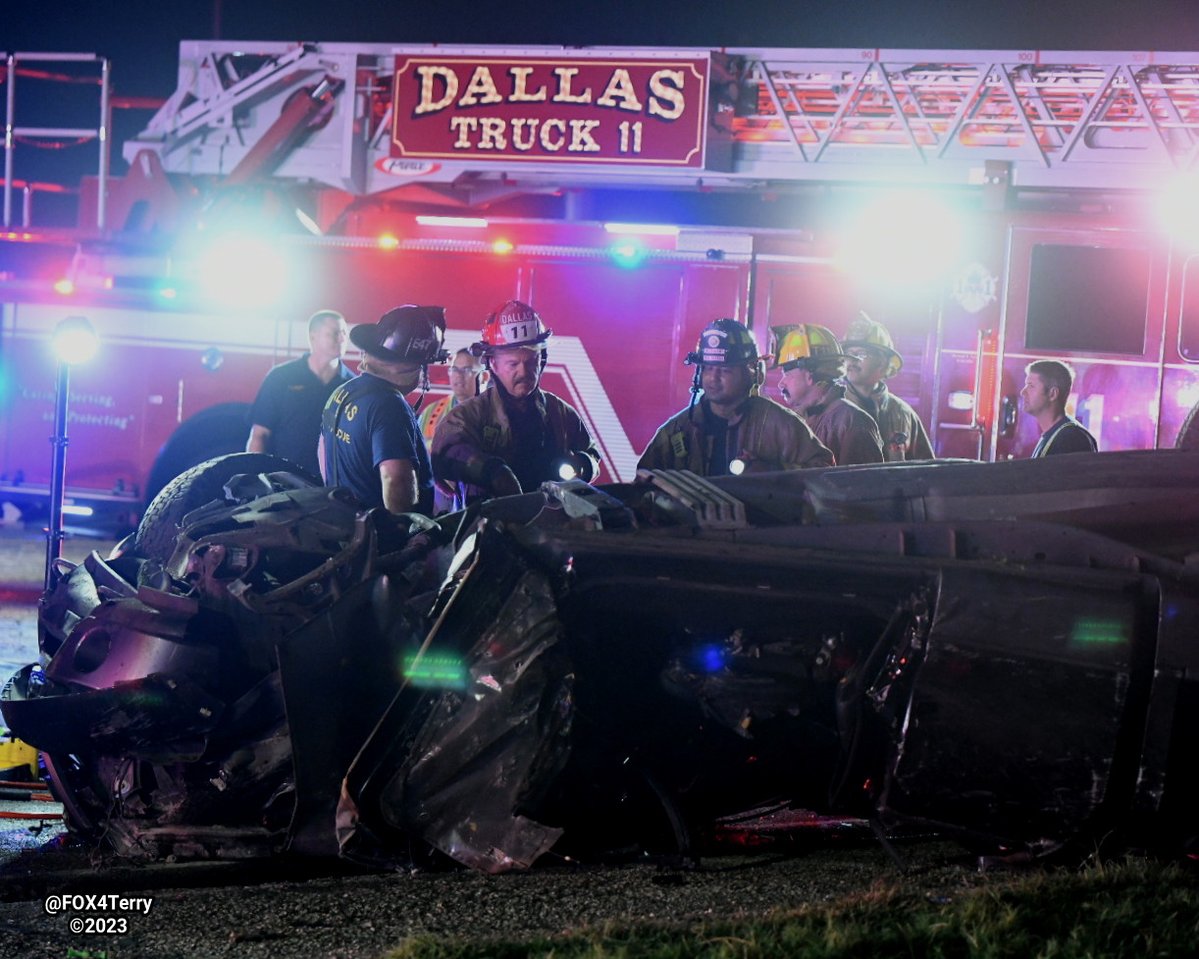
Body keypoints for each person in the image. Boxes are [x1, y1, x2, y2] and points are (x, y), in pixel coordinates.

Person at [431, 300, 600, 508]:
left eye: (531, 362)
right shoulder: (467, 417)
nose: (524, 372)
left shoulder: (561, 413)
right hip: (488, 529)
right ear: (493, 363)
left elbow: (591, 453)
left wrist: (582, 465)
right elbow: (446, 454)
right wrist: (492, 471)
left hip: (552, 528)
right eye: (513, 364)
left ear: (542, 360)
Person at [638, 318, 833, 475]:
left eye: (725, 370)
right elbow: (644, 480)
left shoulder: (778, 424)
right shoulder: (679, 429)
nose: (713, 378)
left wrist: (772, 472)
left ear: (750, 372)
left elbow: (824, 471)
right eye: (708, 369)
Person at [319, 305, 449, 516]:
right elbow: (395, 478)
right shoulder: (390, 406)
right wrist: (405, 529)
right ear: (412, 365)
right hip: (381, 541)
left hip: (343, 528)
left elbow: (323, 453)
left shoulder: (343, 392)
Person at [246, 309, 352, 476]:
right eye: (334, 333)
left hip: (331, 488)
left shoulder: (351, 386)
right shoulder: (281, 377)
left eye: (344, 333)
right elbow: (260, 434)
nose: (341, 339)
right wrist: (255, 476)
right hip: (284, 481)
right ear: (313, 336)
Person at [770, 323, 883, 466]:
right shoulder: (795, 419)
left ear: (809, 375)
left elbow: (860, 484)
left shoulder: (852, 422)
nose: (781, 383)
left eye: (787, 374)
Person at [841, 313, 935, 462]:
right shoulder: (831, 411)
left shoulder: (903, 414)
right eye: (849, 353)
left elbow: (925, 473)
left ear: (882, 362)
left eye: (861, 354)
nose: (852, 360)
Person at [1021, 359, 1099, 457]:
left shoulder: (1072, 439)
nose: (1023, 392)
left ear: (1052, 394)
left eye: (1031, 386)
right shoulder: (1055, 434)